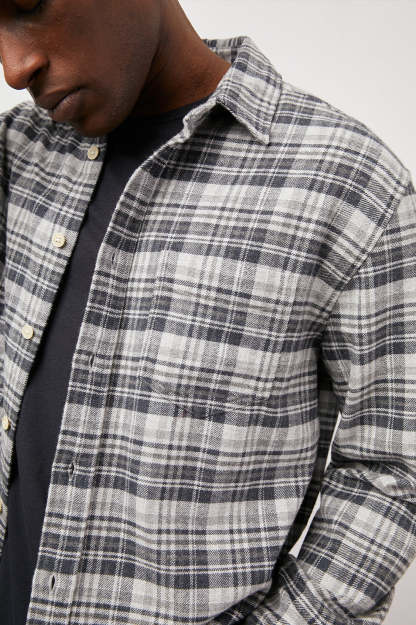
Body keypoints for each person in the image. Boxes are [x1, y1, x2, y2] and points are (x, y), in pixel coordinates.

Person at [0, 1, 415, 624]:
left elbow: (390, 468)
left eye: (28, 6)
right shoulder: (15, 154)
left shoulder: (351, 186)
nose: (14, 68)